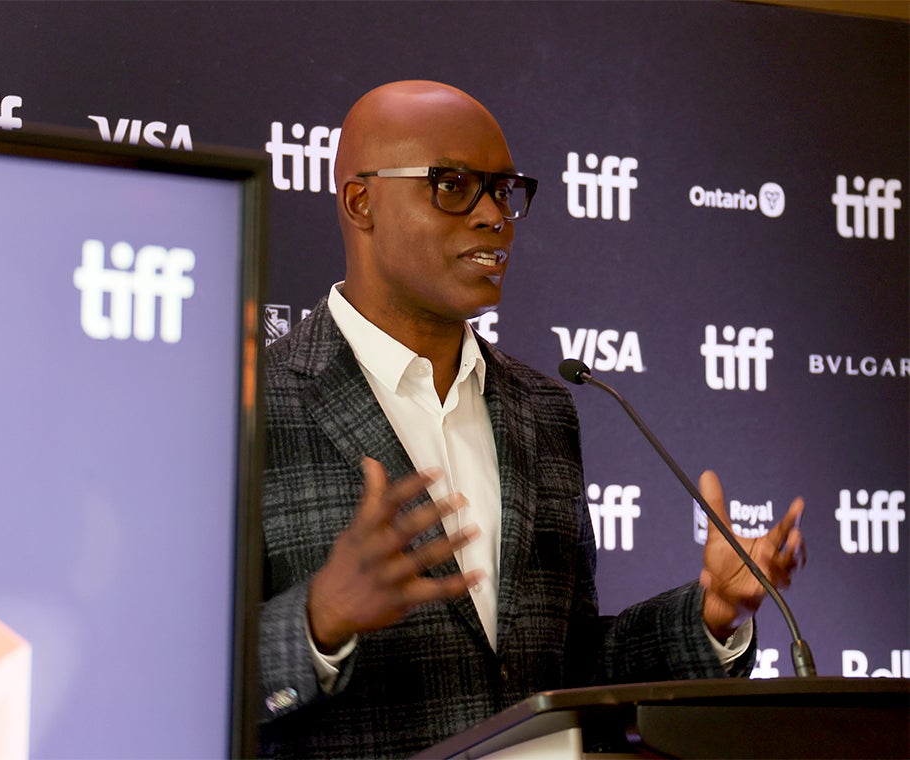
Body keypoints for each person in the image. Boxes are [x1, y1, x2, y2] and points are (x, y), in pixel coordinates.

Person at [258, 80, 804, 759]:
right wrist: (318, 621)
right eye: (453, 186)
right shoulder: (251, 407)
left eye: (504, 190)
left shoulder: (542, 409)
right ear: (361, 202)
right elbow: (174, 676)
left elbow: (569, 666)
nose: (494, 216)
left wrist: (709, 616)